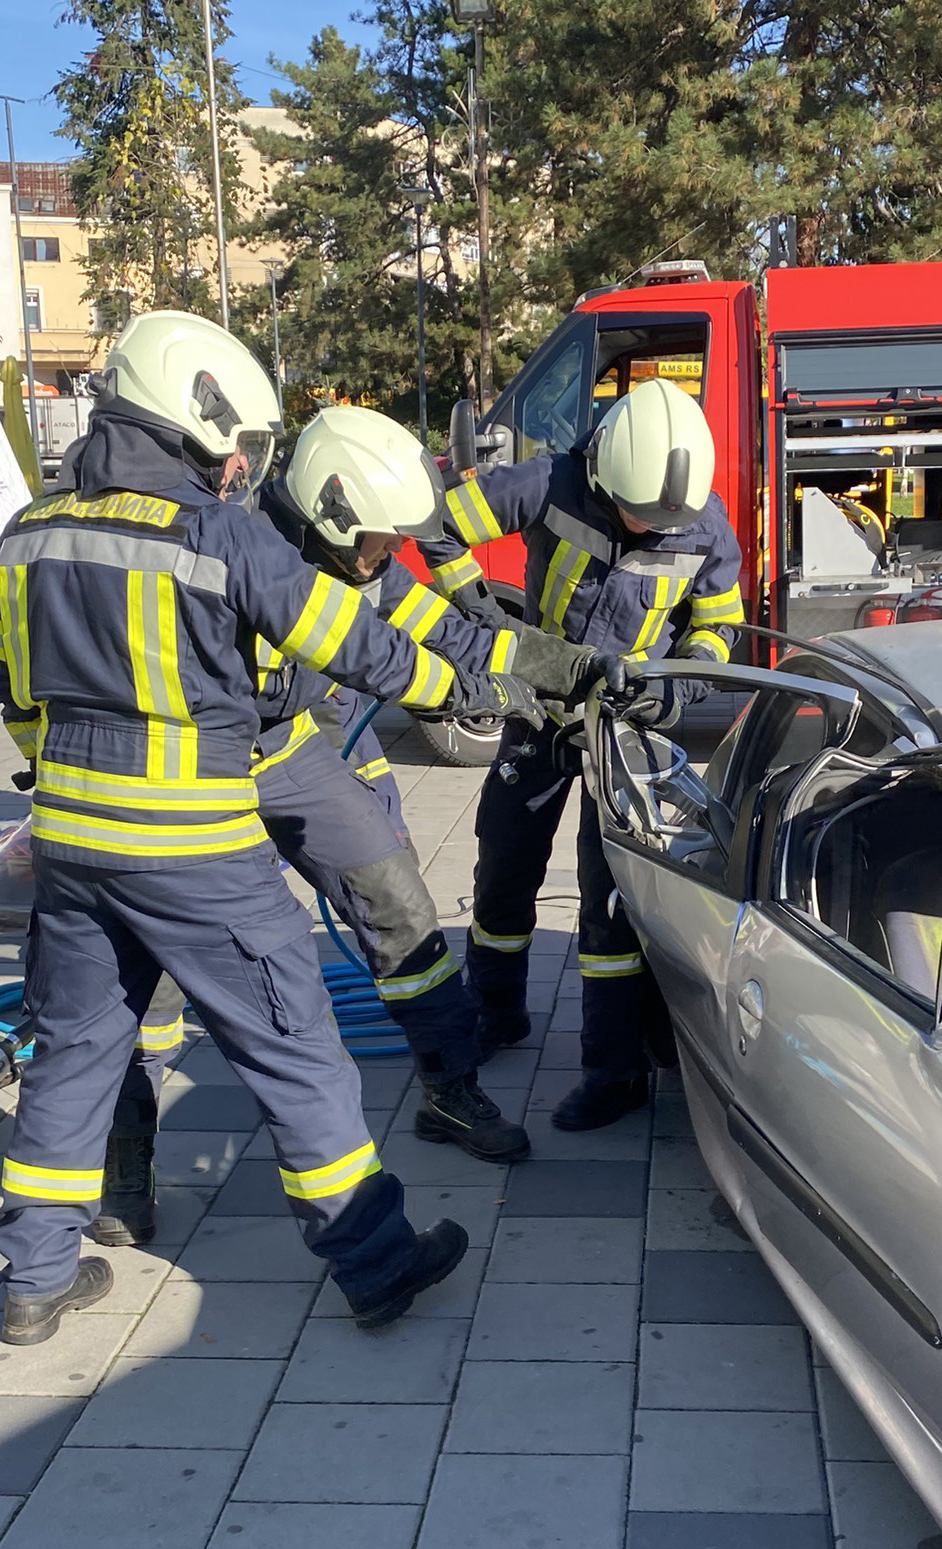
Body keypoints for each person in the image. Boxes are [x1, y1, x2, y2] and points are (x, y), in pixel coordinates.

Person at [0, 310, 539, 1346]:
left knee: (71, 1054)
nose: (238, 464)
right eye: (228, 445)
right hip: (194, 844)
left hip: (69, 844)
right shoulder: (220, 533)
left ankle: (34, 1279)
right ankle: (376, 1263)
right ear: (183, 424)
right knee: (298, 1051)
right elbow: (356, 646)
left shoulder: (25, 536)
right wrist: (470, 682)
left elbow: (9, 689)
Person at [96, 407, 621, 1248]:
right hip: (188, 765)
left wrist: (577, 670)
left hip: (285, 747)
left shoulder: (356, 558)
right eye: (380, 539)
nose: (387, 555)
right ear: (334, 515)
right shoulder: (226, 545)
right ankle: (126, 1159)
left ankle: (449, 1085)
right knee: (147, 957)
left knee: (397, 897)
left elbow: (454, 632)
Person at [425, 378, 746, 1132]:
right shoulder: (550, 482)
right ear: (603, 475)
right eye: (635, 518)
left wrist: (677, 694)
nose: (648, 533)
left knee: (611, 900)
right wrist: (476, 607)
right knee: (503, 869)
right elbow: (438, 523)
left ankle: (614, 1070)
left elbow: (719, 625)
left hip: (628, 726)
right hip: (539, 710)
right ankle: (495, 1013)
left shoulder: (703, 521)